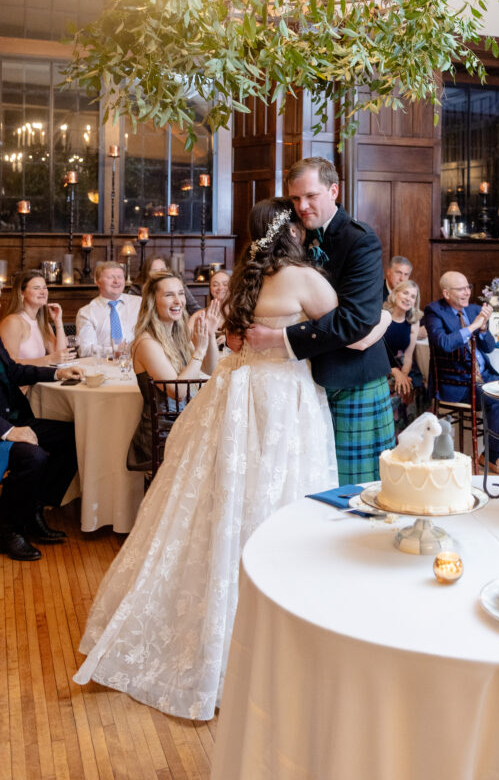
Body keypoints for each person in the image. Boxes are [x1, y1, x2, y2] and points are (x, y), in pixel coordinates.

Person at [73, 198, 339, 719]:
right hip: (281, 399)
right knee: (278, 503)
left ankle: (220, 623)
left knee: (221, 507)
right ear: (289, 232)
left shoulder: (243, 278)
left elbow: (235, 342)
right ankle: (273, 636)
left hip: (232, 393)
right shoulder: (303, 279)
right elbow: (343, 328)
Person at [246, 158, 395, 484]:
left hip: (352, 377)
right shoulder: (294, 234)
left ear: (334, 191)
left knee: (355, 486)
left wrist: (278, 337)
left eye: (311, 196)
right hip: (303, 382)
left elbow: (355, 323)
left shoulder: (360, 240)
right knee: (315, 483)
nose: (302, 206)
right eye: (296, 198)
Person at [424, 271, 499, 475]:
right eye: (461, 289)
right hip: (457, 383)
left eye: (468, 287)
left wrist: (483, 329)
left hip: (483, 376)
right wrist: (473, 326)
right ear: (446, 293)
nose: (467, 292)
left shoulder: (473, 309)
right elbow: (444, 344)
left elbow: (489, 347)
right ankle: (492, 456)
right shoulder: (434, 312)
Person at [126, 271, 221, 473]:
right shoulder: (146, 342)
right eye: (169, 295)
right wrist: (200, 349)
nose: (178, 300)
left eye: (181, 293)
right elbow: (177, 393)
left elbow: (210, 369)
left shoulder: (176, 334)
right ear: (153, 301)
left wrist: (210, 335)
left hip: (185, 425)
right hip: (164, 435)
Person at [0, 340, 83, 560]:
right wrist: (7, 431)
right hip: (3, 427)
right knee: (32, 456)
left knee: (73, 437)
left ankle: (33, 508)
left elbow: (13, 371)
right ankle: (8, 529)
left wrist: (58, 374)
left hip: (10, 418)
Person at [0, 270, 73, 367]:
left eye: (44, 288)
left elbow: (60, 358)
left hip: (38, 380)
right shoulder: (13, 322)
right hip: (22, 382)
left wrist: (58, 321)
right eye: (36, 288)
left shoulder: (43, 324)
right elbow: (8, 364)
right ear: (21, 293)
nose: (43, 292)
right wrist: (48, 360)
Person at [384, 280, 426, 433]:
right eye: (405, 293)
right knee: (393, 388)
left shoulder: (413, 321)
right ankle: (390, 436)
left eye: (413, 296)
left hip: (402, 366)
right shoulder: (383, 316)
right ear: (395, 294)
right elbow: (378, 351)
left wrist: (404, 375)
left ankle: (410, 437)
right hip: (381, 364)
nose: (409, 298)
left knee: (414, 386)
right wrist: (396, 373)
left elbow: (408, 355)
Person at [76, 261, 141, 352]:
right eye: (110, 277)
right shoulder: (86, 312)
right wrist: (115, 350)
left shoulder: (139, 303)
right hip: (103, 363)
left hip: (137, 360)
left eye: (120, 277)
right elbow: (84, 349)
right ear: (97, 281)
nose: (116, 281)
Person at [129, 255, 201, 315]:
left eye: (162, 270)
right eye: (155, 271)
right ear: (146, 273)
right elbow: (130, 313)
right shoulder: (137, 288)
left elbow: (195, 309)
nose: (160, 274)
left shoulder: (177, 285)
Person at [188, 269, 231, 350]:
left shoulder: (240, 315)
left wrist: (230, 340)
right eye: (215, 285)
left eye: (225, 284)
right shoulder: (199, 315)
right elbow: (186, 341)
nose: (220, 288)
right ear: (210, 289)